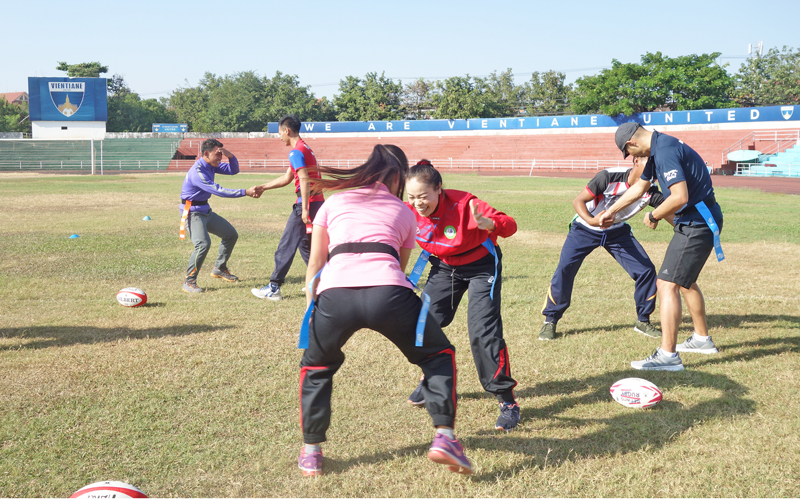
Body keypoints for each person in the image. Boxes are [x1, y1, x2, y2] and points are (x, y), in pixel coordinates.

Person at [298, 145, 472, 476]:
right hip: (389, 291)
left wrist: (312, 307)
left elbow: (316, 264)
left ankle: (311, 452)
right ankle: (445, 436)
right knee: (438, 356)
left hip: (335, 295)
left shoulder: (333, 203)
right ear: (396, 177)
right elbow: (399, 266)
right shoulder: (404, 210)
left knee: (316, 366)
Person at [404, 160, 520, 432]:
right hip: (445, 267)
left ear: (439, 189)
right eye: (411, 197)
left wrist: (489, 223)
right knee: (423, 323)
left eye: (423, 196)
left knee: (483, 332)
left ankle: (507, 401)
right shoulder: (408, 211)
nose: (417, 203)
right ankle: (431, 377)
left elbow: (510, 225)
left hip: (481, 267)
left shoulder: (465, 204)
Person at [599, 123, 724, 371]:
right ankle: (701, 339)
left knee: (666, 284)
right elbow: (640, 187)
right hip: (699, 219)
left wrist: (654, 215)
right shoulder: (660, 146)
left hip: (696, 222)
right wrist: (611, 210)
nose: (635, 159)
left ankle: (668, 355)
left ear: (632, 143)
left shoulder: (664, 151)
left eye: (631, 154)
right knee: (684, 281)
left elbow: (679, 197)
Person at [538, 155, 670, 341]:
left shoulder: (650, 190)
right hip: (585, 228)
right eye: (649, 164)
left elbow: (671, 209)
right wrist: (592, 220)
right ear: (635, 161)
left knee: (646, 270)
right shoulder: (608, 176)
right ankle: (550, 321)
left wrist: (659, 217)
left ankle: (643, 321)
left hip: (617, 233)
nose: (653, 171)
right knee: (565, 269)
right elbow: (578, 201)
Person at [252, 115, 325, 301]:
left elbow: (305, 179)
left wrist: (305, 209)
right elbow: (287, 179)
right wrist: (264, 187)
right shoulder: (304, 148)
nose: (279, 137)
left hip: (307, 204)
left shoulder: (295, 152)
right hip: (317, 202)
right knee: (305, 244)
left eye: (279, 133)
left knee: (286, 244)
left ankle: (274, 287)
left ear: (287, 131)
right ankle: (322, 281)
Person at [179, 139, 260, 293]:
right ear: (206, 154)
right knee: (202, 244)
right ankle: (189, 281)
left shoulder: (211, 165)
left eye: (221, 154)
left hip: (205, 210)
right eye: (218, 154)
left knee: (230, 235)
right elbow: (219, 190)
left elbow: (233, 170)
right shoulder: (198, 172)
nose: (220, 157)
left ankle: (219, 268)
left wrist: (230, 156)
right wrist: (245, 192)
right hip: (192, 212)